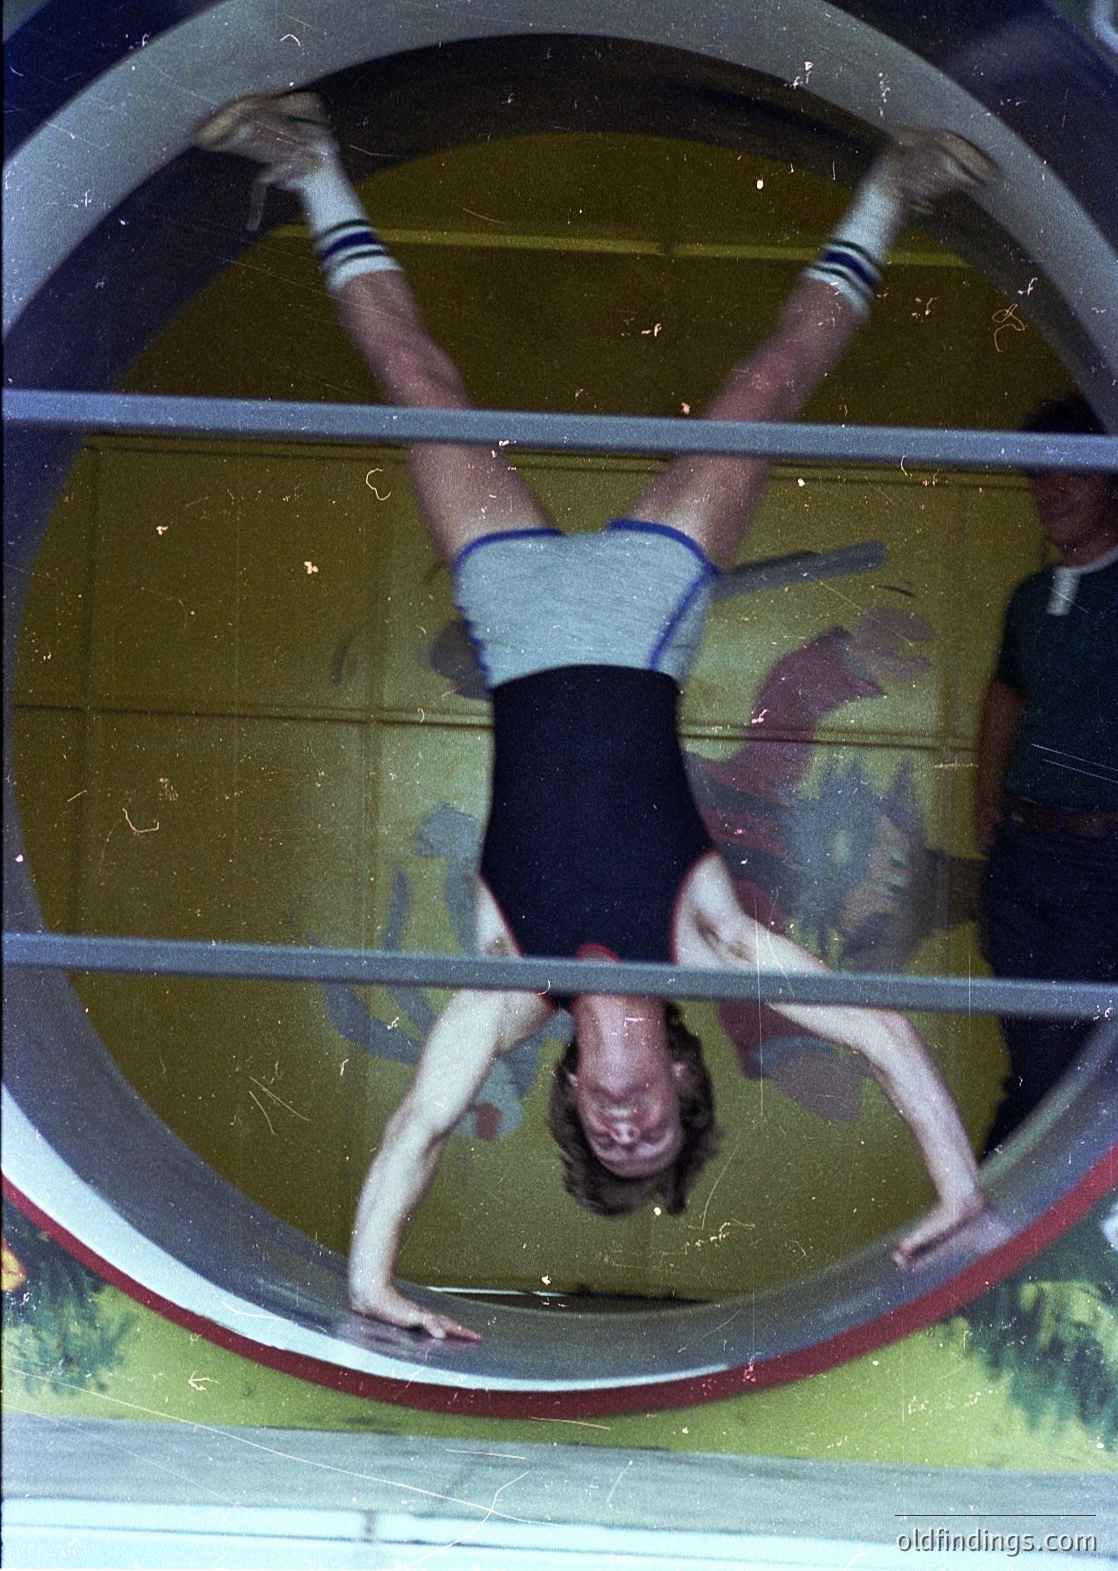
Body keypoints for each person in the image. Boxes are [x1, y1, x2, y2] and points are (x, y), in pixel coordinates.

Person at [197, 96, 999, 1337]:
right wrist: (956, 1192)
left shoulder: (505, 988)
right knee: (762, 385)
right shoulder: (716, 949)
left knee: (415, 380)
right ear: (683, 1076)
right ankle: (891, 191)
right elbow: (887, 1039)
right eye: (654, 1131)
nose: (626, 1126)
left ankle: (309, 169)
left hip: (515, 621)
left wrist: (368, 1284)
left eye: (604, 1136)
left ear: (573, 1094)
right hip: (640, 612)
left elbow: (417, 1126)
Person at [975, 396, 1118, 1154]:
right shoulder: (1031, 598)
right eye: (1039, 475)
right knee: (1035, 1061)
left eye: (1075, 471)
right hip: (1024, 859)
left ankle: (986, 1225)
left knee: (1052, 1076)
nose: (1052, 489)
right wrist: (984, 796)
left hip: (1101, 864)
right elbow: (1007, 691)